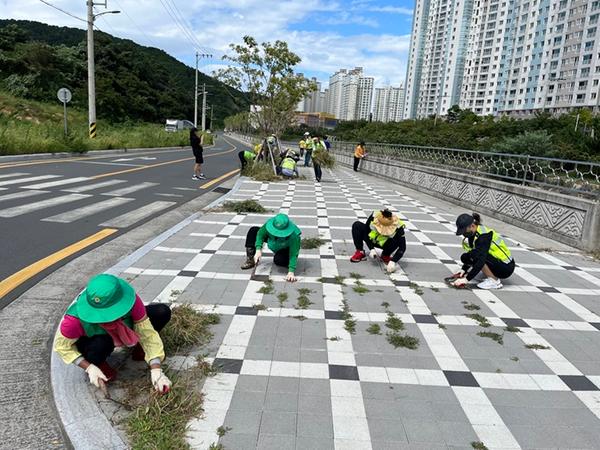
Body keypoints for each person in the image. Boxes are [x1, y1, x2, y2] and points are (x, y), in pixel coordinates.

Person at [53, 274, 172, 394]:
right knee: (99, 345)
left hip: (126, 327)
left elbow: (147, 333)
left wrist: (157, 370)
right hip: (97, 341)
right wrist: (88, 367)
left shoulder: (132, 302)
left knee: (161, 312)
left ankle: (139, 349)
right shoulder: (73, 321)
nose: (109, 319)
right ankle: (98, 364)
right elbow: (62, 347)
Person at [451, 213, 515, 290]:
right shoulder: (473, 234)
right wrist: (463, 269)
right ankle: (489, 274)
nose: (463, 234)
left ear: (472, 226)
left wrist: (466, 279)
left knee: (479, 255)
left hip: (506, 267)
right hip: (496, 262)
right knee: (466, 257)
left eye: (464, 231)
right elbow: (472, 254)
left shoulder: (484, 235)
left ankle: (494, 281)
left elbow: (481, 259)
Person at [240, 213, 301, 282]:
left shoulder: (294, 236)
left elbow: (293, 254)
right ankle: (251, 260)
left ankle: (285, 260)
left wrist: (291, 272)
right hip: (272, 241)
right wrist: (258, 249)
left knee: (278, 260)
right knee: (253, 231)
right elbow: (260, 234)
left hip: (284, 249)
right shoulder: (269, 225)